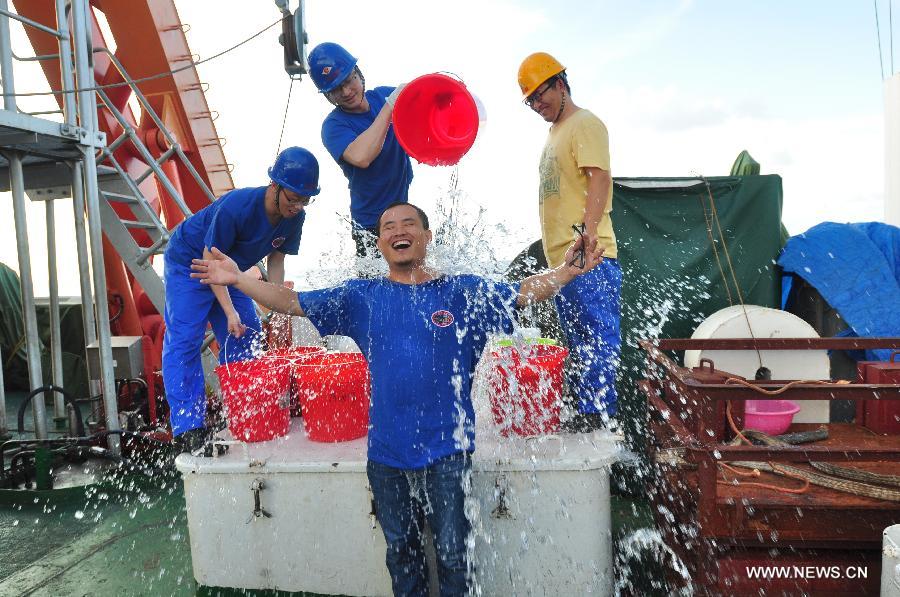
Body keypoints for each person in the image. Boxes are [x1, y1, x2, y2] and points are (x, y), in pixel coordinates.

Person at [190, 202, 603, 596]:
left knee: (455, 555)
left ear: (426, 235)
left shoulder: (462, 292)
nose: (398, 231)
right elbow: (292, 303)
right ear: (380, 243)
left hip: (449, 452)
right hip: (386, 456)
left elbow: (523, 292)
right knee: (402, 555)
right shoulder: (361, 297)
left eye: (408, 224)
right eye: (388, 227)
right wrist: (240, 280)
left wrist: (566, 273)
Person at [162, 146, 320, 451]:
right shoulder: (238, 205)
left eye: (305, 199)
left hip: (230, 269)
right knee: (186, 338)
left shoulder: (295, 218)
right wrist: (229, 311)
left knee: (247, 332)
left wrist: (276, 306)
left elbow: (276, 261)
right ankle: (188, 427)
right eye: (293, 197)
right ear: (275, 186)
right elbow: (211, 263)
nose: (298, 206)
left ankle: (243, 412)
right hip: (192, 263)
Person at [517, 52, 623, 430]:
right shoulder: (553, 134)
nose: (536, 104)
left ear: (560, 83)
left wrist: (589, 232)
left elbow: (599, 177)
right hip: (565, 263)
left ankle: (598, 417)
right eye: (529, 100)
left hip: (590, 256)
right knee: (578, 343)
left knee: (597, 338)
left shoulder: (585, 123)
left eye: (540, 95)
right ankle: (585, 413)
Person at [308, 42, 413, 259]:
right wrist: (390, 107)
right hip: (369, 227)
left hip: (403, 212)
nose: (346, 92)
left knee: (415, 281)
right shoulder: (333, 126)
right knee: (374, 290)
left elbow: (426, 117)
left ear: (359, 74)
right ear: (327, 95)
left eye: (348, 80)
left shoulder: (383, 96)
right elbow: (362, 157)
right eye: (335, 89)